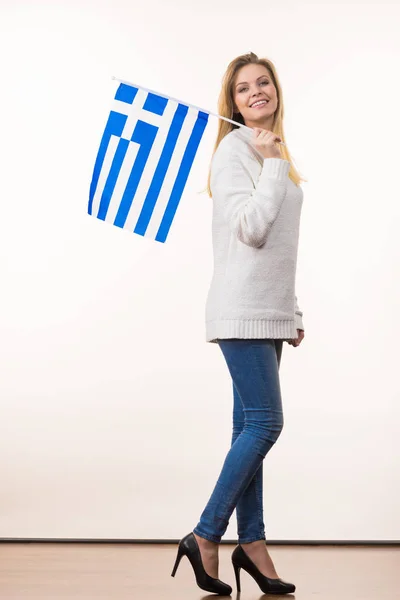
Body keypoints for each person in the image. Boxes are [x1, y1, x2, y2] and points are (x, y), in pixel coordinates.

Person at [171, 51, 306, 595]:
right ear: (233, 101)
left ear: (276, 91)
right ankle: (205, 536)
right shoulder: (234, 151)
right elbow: (250, 229)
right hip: (240, 310)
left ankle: (251, 544)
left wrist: (290, 312)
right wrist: (271, 163)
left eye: (264, 83)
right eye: (244, 88)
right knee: (265, 425)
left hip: (265, 312)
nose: (256, 93)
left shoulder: (274, 151)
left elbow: (280, 249)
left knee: (244, 430)